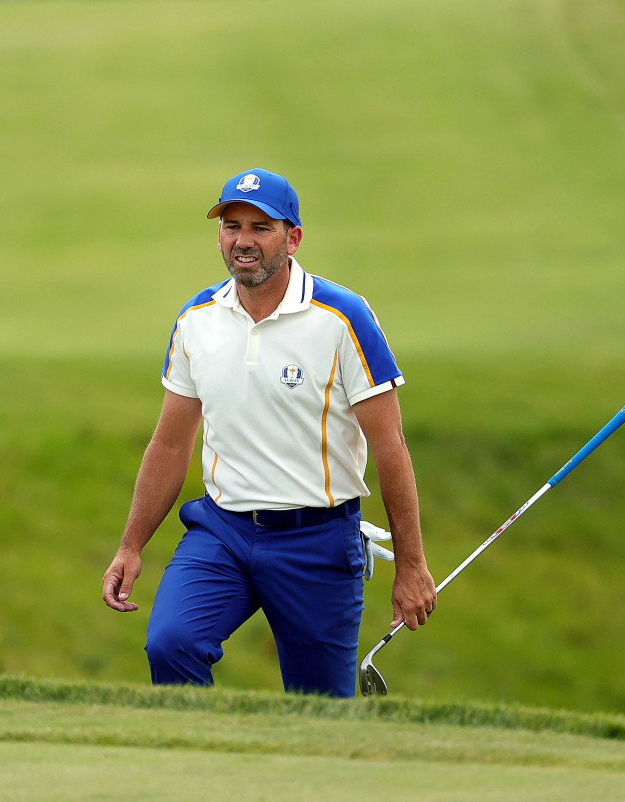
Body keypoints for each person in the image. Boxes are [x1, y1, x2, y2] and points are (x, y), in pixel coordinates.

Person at [101, 168, 437, 697]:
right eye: (231, 226)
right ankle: (205, 775)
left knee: (318, 711)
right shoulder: (197, 318)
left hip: (319, 539)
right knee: (171, 644)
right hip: (223, 531)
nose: (243, 241)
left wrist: (412, 565)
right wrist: (130, 545)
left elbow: (390, 447)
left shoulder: (342, 316)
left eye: (261, 228)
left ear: (293, 238)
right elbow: (170, 443)